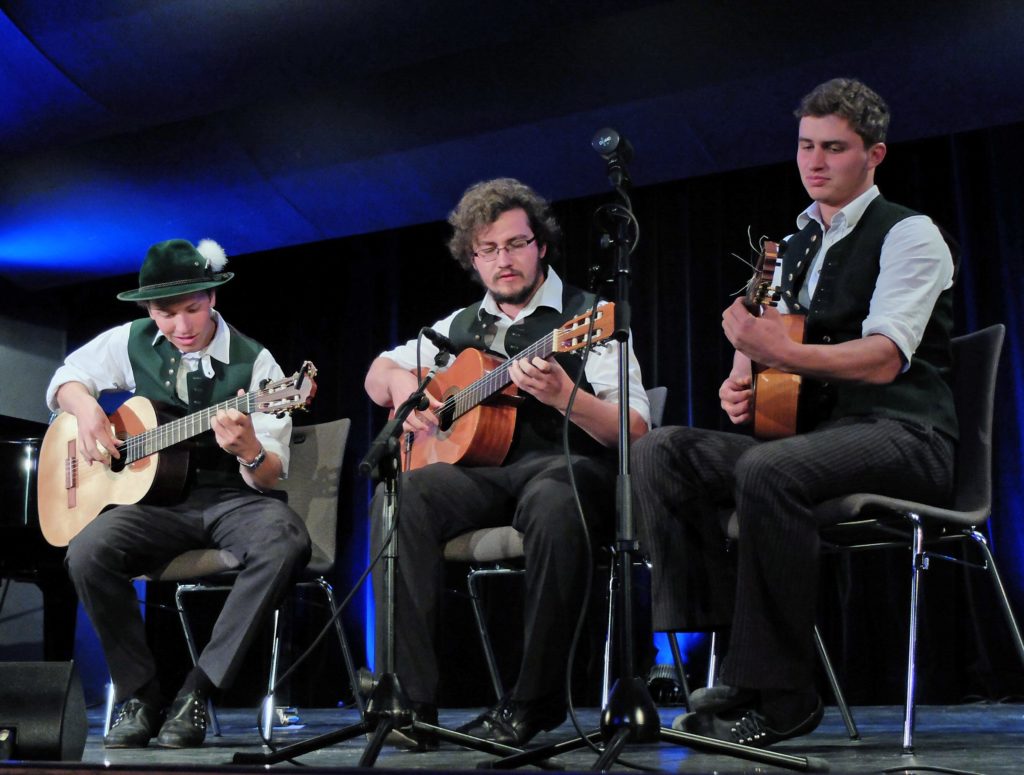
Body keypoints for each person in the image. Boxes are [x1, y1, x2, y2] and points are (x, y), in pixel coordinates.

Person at [632, 78, 957, 747]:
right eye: (806, 145)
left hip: (905, 434)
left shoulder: (909, 234)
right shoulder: (789, 246)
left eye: (834, 148)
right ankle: (723, 659)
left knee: (769, 470)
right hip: (818, 441)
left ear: (874, 154)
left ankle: (784, 694)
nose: (814, 161)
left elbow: (883, 358)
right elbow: (774, 344)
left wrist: (776, 348)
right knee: (659, 451)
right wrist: (742, 376)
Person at [365, 177, 650, 748]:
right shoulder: (456, 327)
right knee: (402, 493)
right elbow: (377, 372)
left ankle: (536, 700)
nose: (504, 260)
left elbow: (635, 429)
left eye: (516, 244)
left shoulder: (588, 317)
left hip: (564, 469)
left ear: (541, 245)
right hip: (482, 475)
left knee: (553, 499)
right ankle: (412, 706)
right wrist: (404, 387)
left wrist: (565, 395)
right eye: (488, 249)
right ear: (472, 258)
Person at [47, 239, 311, 749]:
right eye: (167, 314)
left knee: (285, 540)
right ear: (149, 309)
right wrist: (84, 408)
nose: (183, 326)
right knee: (86, 552)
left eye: (193, 309)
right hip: (155, 504)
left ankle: (197, 691)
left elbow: (268, 476)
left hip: (232, 498)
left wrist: (250, 448)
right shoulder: (131, 339)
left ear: (212, 298)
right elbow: (66, 378)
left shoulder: (257, 364)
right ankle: (139, 696)